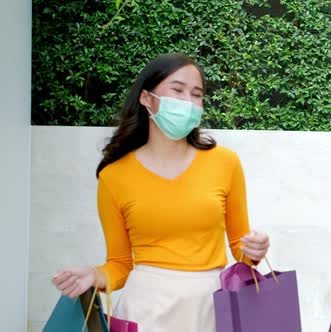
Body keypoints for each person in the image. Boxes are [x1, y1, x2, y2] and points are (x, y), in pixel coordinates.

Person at [51, 53, 270, 331]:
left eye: (196, 94)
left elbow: (241, 248)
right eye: (177, 90)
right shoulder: (114, 176)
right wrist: (93, 276)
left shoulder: (225, 162)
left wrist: (256, 249)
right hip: (145, 309)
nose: (188, 102)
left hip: (211, 308)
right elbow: (119, 265)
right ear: (146, 98)